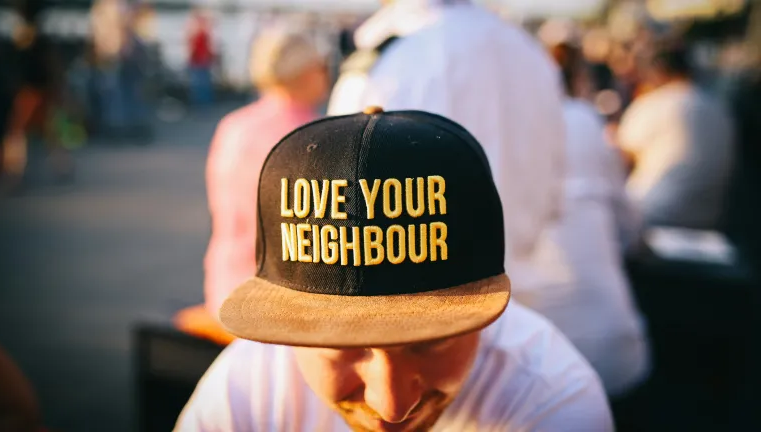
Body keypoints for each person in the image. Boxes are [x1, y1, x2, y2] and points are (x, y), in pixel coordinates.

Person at [176, 107, 614, 431]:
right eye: (342, 346)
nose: (391, 405)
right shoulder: (245, 391)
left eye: (431, 342)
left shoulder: (551, 401)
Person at [327, 0, 571, 316]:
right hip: (519, 301)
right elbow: (556, 188)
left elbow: (341, 187)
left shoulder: (391, 55)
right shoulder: (529, 52)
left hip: (414, 312)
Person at [175, 28, 329, 341]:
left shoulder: (233, 125)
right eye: (322, 66)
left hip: (224, 281)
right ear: (306, 71)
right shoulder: (313, 135)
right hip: (279, 297)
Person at [536, 42, 650, 397]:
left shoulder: (505, 132)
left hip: (544, 373)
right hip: (620, 355)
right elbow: (628, 223)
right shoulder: (584, 120)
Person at [615, 42, 735, 230]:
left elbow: (621, 161)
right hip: (709, 219)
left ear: (657, 72)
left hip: (652, 214)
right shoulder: (719, 107)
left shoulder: (652, 104)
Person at [2, 0, 73, 191]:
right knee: (49, 132)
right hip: (42, 90)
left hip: (30, 92)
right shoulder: (40, 38)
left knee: (18, 133)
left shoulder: (22, 38)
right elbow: (54, 67)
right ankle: (62, 167)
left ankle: (15, 174)